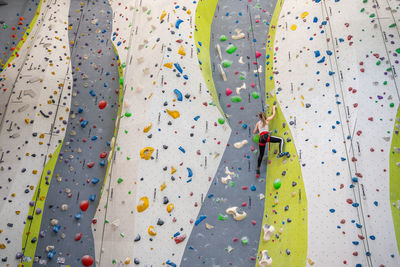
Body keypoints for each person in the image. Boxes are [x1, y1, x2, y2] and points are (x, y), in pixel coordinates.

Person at [253, 105, 289, 178]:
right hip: (266, 137)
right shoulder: (267, 120)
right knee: (281, 140)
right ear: (265, 116)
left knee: (261, 154)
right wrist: (273, 108)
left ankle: (258, 169)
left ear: (260, 118)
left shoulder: (257, 123)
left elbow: (254, 132)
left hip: (261, 139)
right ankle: (280, 152)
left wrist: (258, 130)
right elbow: (273, 114)